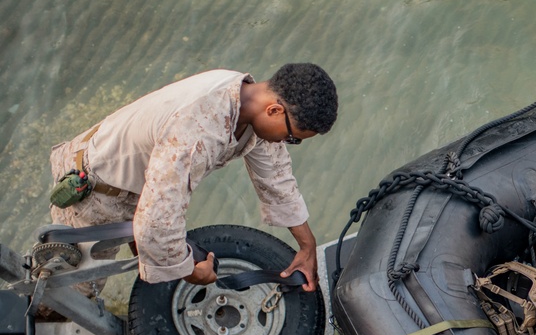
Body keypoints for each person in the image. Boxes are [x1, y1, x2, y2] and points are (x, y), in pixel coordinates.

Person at [48, 63, 337, 291]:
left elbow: (277, 180)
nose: (284, 143)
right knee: (75, 289)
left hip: (141, 181)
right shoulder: (197, 132)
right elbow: (155, 222)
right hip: (97, 189)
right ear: (274, 110)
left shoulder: (247, 100)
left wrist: (307, 246)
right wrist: (188, 271)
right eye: (291, 138)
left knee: (162, 254)